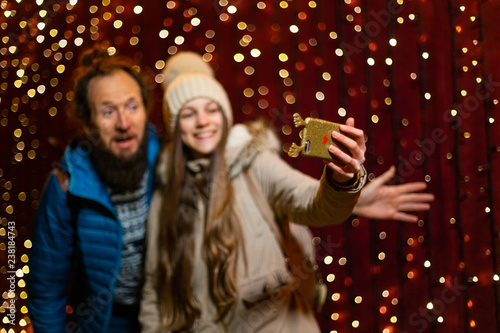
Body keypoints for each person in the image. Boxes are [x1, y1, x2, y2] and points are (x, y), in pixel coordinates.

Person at [139, 51, 369, 332]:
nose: (203, 122)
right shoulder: (166, 197)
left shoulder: (254, 162)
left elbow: (314, 204)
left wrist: (341, 179)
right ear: (176, 127)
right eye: (189, 113)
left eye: (212, 109)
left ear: (224, 114)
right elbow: (154, 289)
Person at [28, 47, 160, 333]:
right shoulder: (67, 184)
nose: (124, 124)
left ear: (146, 110)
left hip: (168, 320)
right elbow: (46, 290)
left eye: (132, 106)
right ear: (88, 124)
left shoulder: (168, 163)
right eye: (108, 112)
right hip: (104, 324)